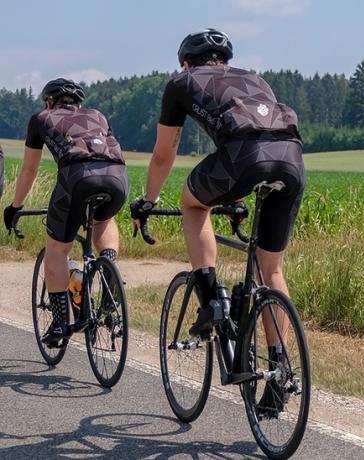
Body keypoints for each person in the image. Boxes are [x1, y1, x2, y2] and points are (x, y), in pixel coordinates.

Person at [130, 28, 304, 415]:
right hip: (291, 159)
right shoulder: (254, 78)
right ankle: (279, 370)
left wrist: (149, 200)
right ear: (224, 60)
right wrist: (239, 198)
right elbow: (255, 131)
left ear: (187, 61)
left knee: (193, 206)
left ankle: (212, 298)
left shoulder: (182, 82)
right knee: (270, 269)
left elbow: (164, 154)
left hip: (243, 160)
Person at [4, 78, 129, 346]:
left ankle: (61, 323)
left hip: (77, 178)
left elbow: (29, 171)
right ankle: (109, 271)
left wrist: (15, 206)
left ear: (49, 101)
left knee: (57, 250)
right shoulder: (97, 115)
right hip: (118, 179)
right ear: (78, 103)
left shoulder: (41, 118)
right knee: (104, 218)